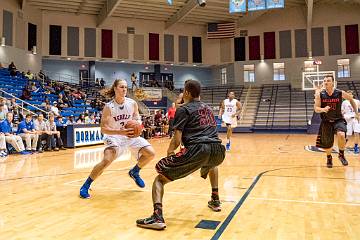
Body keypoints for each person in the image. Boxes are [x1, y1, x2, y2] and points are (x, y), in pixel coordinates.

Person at [136, 80, 226, 230]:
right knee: (212, 164)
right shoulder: (208, 108)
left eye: (184, 91)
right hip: (218, 150)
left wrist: (170, 153)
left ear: (187, 93)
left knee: (159, 178)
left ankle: (157, 216)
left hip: (198, 149)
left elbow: (177, 139)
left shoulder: (183, 109)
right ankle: (215, 199)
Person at [79, 79, 155, 199]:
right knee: (106, 160)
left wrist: (138, 126)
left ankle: (135, 171)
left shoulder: (132, 103)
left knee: (150, 153)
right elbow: (104, 129)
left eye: (125, 87)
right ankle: (85, 185)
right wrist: (120, 132)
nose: (124, 89)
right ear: (115, 88)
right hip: (114, 136)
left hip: (129, 135)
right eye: (121, 87)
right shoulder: (109, 107)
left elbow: (137, 117)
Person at [314, 75, 359, 168]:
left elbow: (351, 99)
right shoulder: (320, 95)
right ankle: (329, 157)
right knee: (328, 144)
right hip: (326, 121)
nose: (326, 82)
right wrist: (323, 109)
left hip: (338, 120)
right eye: (325, 81)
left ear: (333, 82)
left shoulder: (339, 93)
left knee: (341, 135)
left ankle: (341, 155)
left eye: (328, 81)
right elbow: (316, 108)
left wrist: (356, 112)